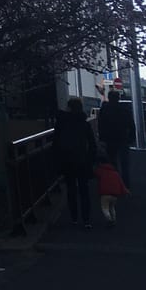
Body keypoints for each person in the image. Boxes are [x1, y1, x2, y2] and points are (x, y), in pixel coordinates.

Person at [52, 96, 96, 227]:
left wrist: (57, 160)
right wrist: (90, 160)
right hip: (82, 159)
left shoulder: (61, 123)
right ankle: (86, 219)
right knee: (84, 189)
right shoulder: (85, 123)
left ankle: (74, 218)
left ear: (69, 108)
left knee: (71, 189)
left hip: (67, 160)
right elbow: (92, 144)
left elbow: (56, 142)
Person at [97, 89, 136, 189]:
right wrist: (132, 137)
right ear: (118, 98)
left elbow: (100, 125)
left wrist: (102, 138)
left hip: (109, 139)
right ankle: (125, 185)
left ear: (109, 98)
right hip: (123, 138)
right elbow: (131, 124)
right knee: (124, 163)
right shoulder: (124, 109)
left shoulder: (104, 109)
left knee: (112, 162)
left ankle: (114, 183)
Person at [94, 147, 130, 226]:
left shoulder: (101, 171)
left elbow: (95, 173)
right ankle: (114, 219)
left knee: (105, 208)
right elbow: (121, 184)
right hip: (114, 194)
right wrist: (126, 191)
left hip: (104, 193)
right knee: (112, 207)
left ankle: (109, 218)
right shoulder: (115, 173)